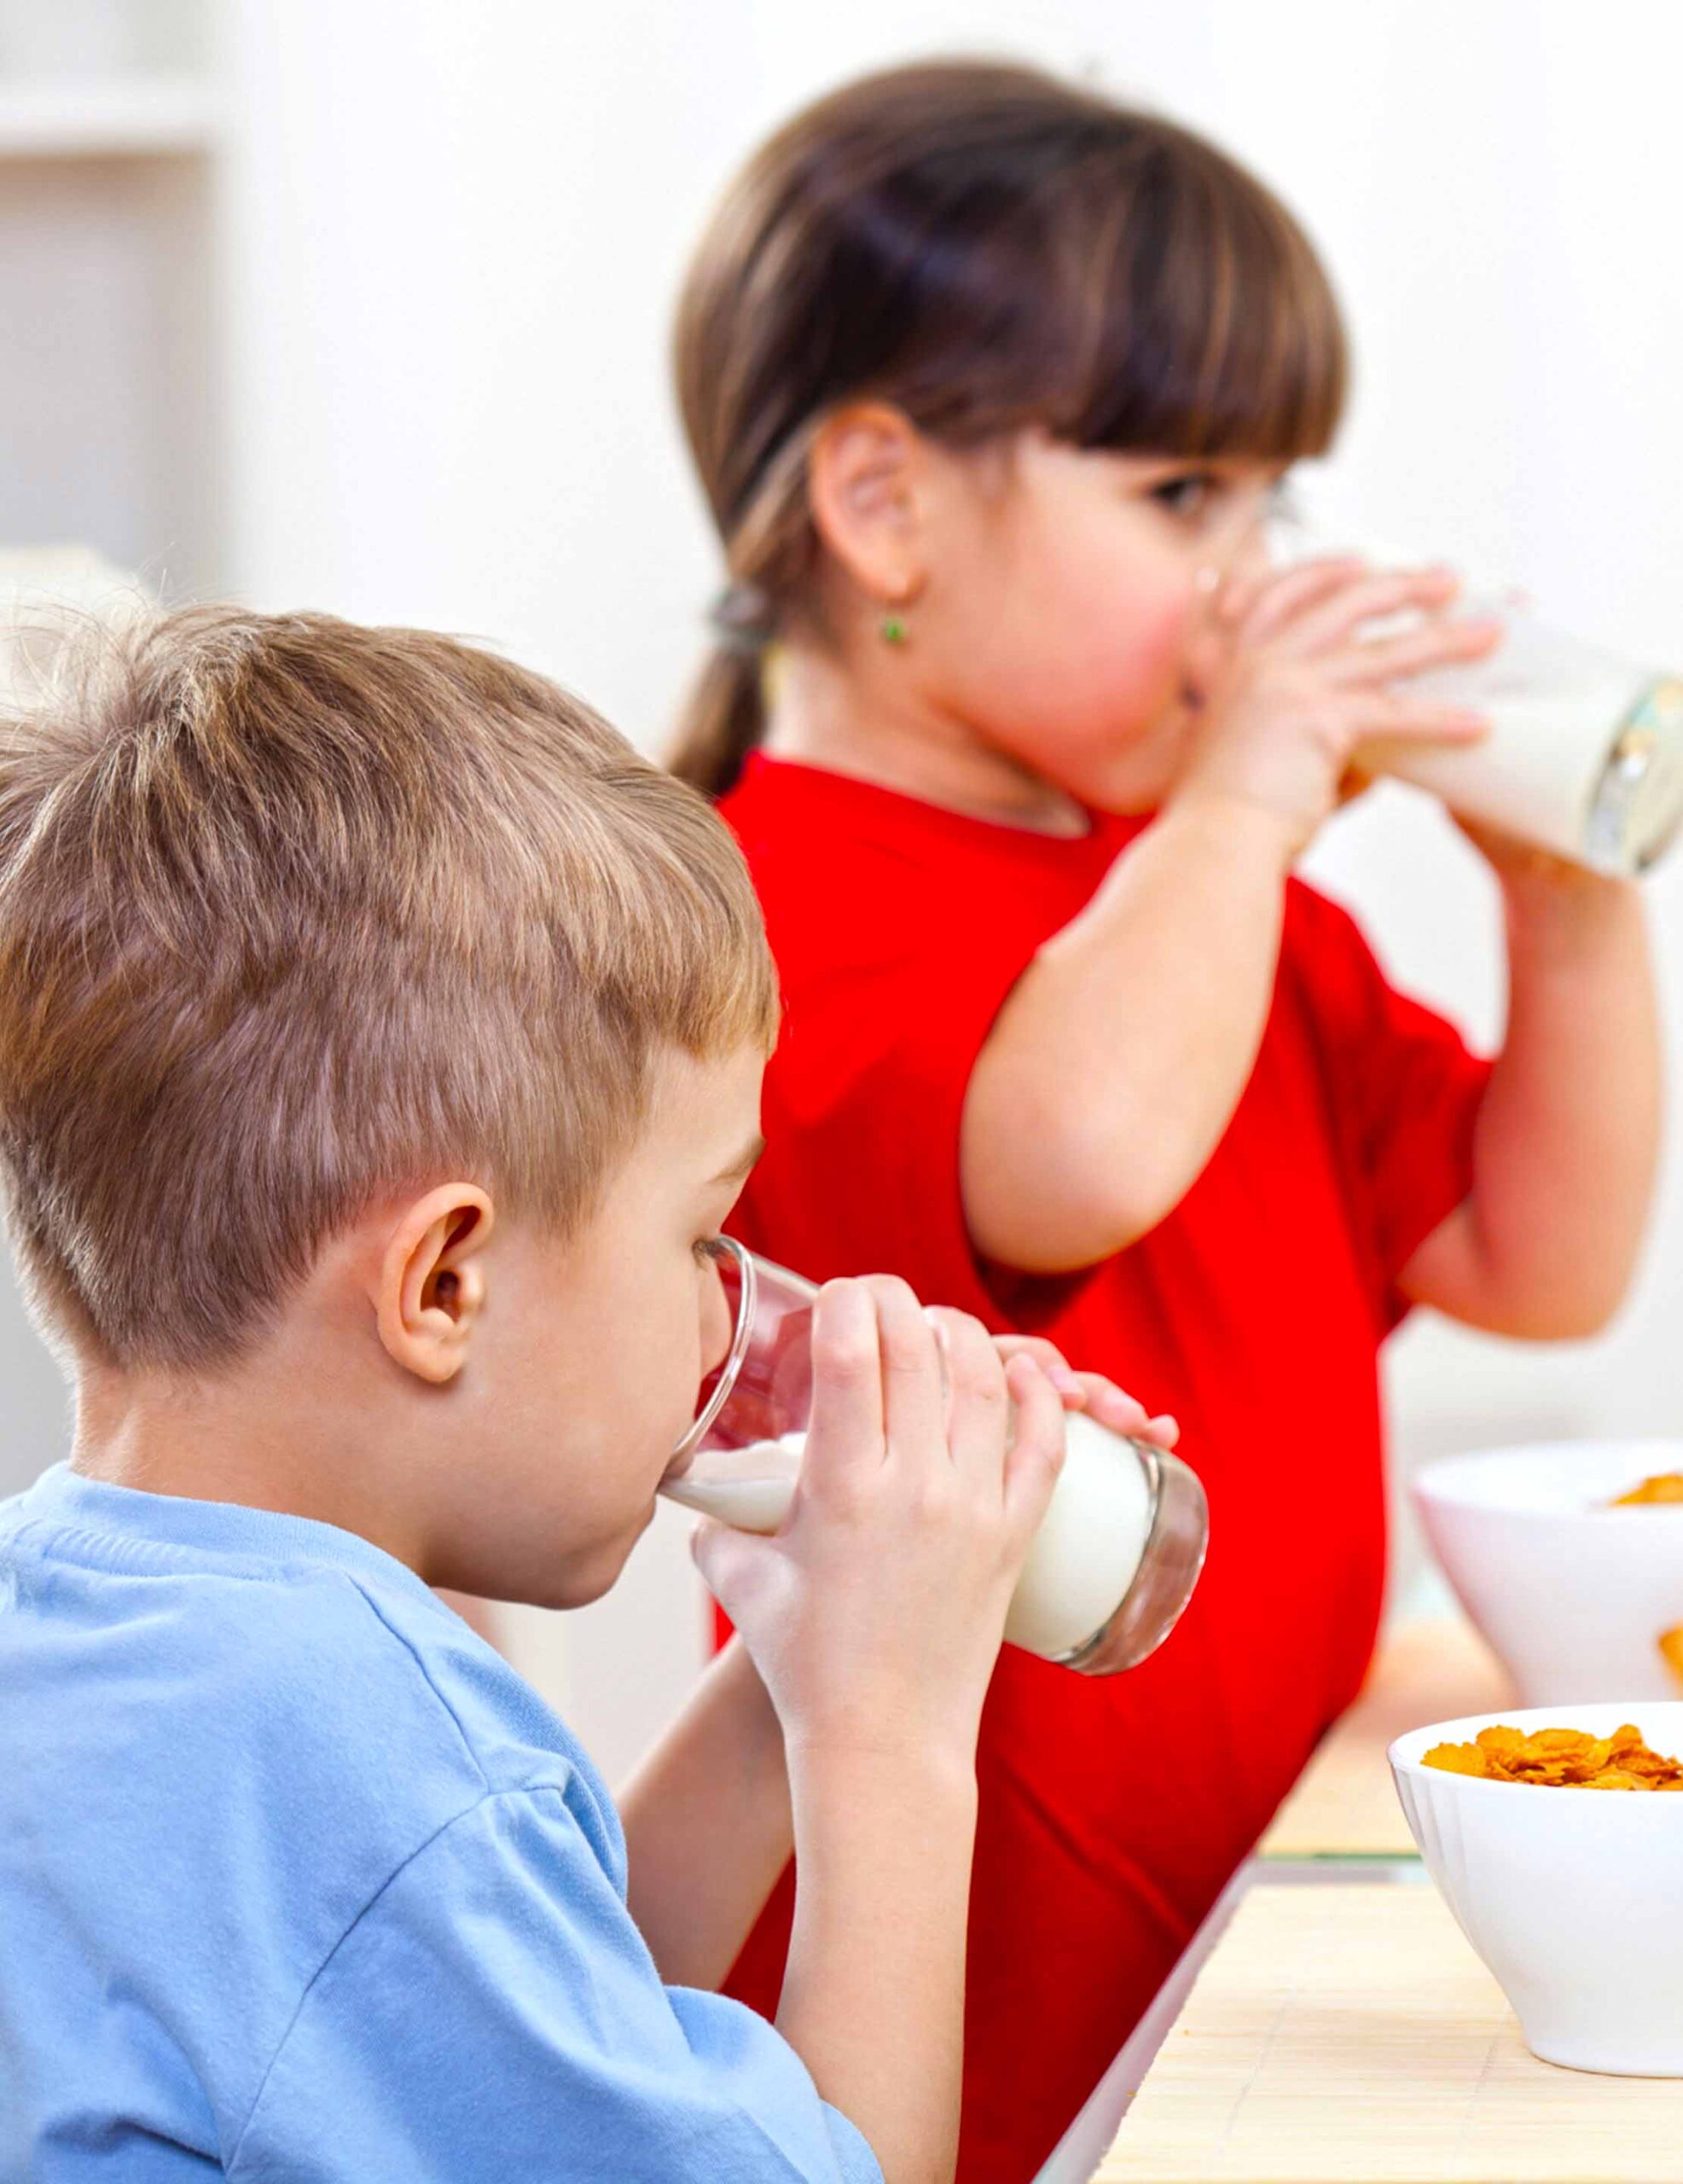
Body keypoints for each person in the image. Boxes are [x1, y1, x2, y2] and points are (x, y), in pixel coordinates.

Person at [669, 59, 1661, 2181]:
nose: (1253, 583)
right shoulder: (745, 911)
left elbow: (1542, 1253)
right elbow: (1075, 1152)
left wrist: (1565, 896)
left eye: (1276, 504)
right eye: (1188, 494)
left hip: (1257, 1875)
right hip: (953, 1984)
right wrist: (1250, 789)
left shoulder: (1209, 897)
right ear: (885, 506)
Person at [0, 606, 1168, 2182]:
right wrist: (889, 1729)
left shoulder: (118, 1650)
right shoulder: (345, 1735)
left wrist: (797, 1662)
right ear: (441, 1287)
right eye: (701, 1234)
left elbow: (556, 2054)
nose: (724, 1309)